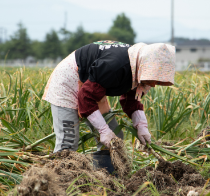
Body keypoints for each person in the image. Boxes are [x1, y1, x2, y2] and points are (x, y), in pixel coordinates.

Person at [43, 40, 175, 154]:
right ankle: (58, 180)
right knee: (68, 142)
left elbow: (130, 100)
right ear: (145, 66)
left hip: (93, 86)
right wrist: (103, 130)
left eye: (158, 81)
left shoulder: (137, 67)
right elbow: (85, 97)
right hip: (68, 81)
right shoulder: (115, 66)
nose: (153, 84)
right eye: (153, 79)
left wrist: (141, 125)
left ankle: (106, 178)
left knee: (115, 138)